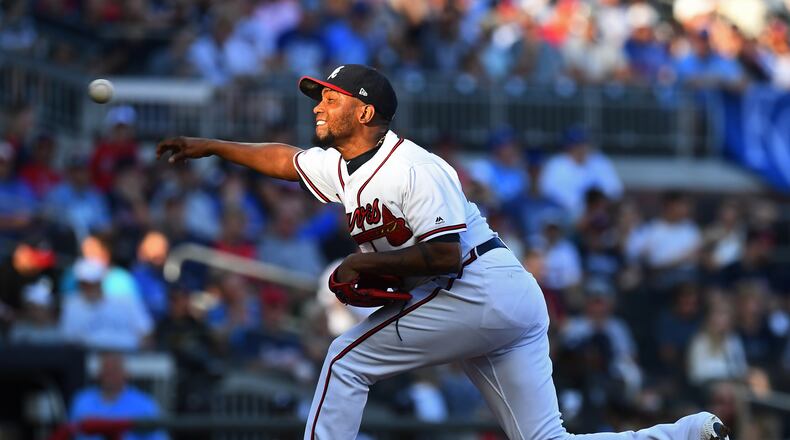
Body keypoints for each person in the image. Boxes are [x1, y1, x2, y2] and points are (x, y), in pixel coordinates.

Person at [157, 64, 729, 440]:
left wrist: (367, 262)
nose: (316, 107)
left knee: (343, 360)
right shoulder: (341, 166)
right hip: (498, 298)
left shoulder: (412, 166)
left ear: (363, 111)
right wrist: (209, 145)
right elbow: (283, 159)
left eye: (327, 98)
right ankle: (687, 433)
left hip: (476, 285)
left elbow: (447, 255)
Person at [70, 352, 166, 440]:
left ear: (126, 374)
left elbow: (158, 437)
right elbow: (70, 433)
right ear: (99, 373)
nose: (110, 375)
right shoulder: (82, 400)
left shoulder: (145, 404)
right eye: (106, 369)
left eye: (115, 370)